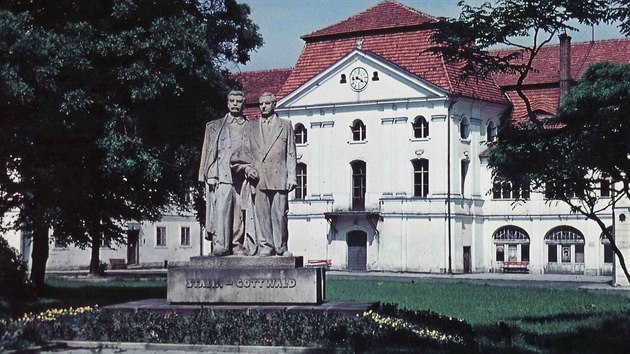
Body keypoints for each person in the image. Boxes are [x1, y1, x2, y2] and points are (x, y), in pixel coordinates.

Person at [198, 90, 257, 256]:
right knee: (221, 211)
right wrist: (208, 173)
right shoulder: (215, 126)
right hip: (221, 176)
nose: (235, 104)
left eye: (238, 101)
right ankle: (221, 245)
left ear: (244, 104)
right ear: (227, 102)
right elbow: (208, 152)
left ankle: (237, 245)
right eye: (232, 100)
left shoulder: (251, 126)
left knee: (240, 213)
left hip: (242, 178)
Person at [246, 92, 297, 256]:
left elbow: (291, 153)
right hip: (259, 178)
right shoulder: (251, 126)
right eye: (261, 103)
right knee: (262, 215)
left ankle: (281, 247)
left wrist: (293, 177)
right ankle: (266, 246)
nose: (263, 106)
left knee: (279, 215)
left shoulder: (285, 125)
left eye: (267, 103)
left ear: (274, 105)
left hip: (279, 176)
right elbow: (245, 152)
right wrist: (248, 168)